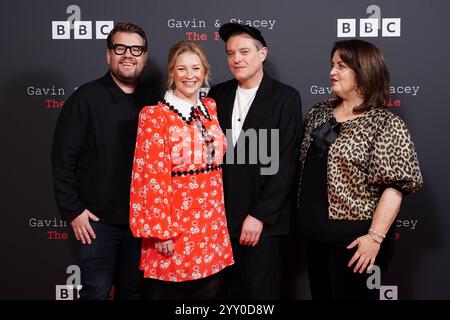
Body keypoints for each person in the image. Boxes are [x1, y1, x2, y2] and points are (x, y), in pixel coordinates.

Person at [297, 39, 423, 300]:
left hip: (356, 244)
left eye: (341, 66)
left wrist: (374, 239)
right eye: (332, 65)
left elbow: (395, 187)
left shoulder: (385, 123)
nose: (332, 72)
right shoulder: (319, 112)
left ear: (363, 71)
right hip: (315, 239)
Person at [51, 22, 160, 300]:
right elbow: (63, 159)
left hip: (142, 223)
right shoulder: (85, 98)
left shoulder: (155, 102)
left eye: (136, 49)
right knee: (96, 292)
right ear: (108, 54)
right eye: (120, 48)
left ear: (145, 57)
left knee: (133, 293)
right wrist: (73, 211)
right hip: (98, 224)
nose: (128, 55)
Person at [129, 40, 234, 300]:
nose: (190, 76)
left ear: (205, 72)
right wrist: (160, 230)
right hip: (173, 225)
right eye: (182, 69)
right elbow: (150, 176)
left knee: (209, 295)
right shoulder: (154, 116)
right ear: (172, 73)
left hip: (212, 223)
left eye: (196, 69)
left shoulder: (210, 108)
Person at [208, 23, 302, 299]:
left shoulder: (285, 97)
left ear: (263, 54)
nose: (237, 58)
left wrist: (259, 215)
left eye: (245, 51)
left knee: (260, 294)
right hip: (220, 222)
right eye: (230, 53)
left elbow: (286, 162)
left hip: (264, 223)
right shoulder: (217, 95)